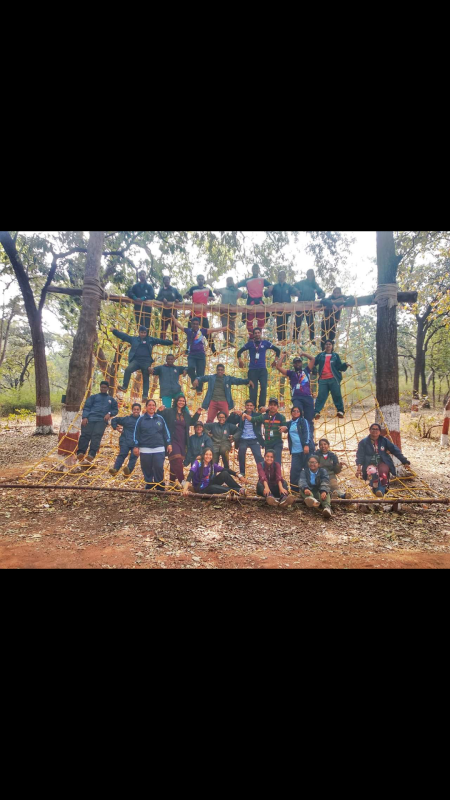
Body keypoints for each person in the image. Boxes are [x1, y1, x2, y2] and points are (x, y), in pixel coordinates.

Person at [356, 424, 411, 510]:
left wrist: (404, 461)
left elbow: (395, 450)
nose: (375, 431)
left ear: (379, 432)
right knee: (373, 472)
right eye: (373, 429)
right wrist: (358, 469)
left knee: (383, 471)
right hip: (370, 463)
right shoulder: (363, 442)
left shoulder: (384, 440)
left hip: (383, 461)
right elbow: (360, 456)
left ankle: (380, 491)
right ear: (369, 430)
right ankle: (378, 492)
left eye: (377, 429)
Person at [113, 325, 173, 401]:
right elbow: (124, 336)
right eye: (142, 332)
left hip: (146, 362)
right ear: (139, 332)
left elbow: (161, 341)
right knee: (128, 369)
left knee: (145, 376)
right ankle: (125, 387)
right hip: (136, 361)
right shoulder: (134, 339)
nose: (143, 334)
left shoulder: (150, 339)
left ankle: (145, 396)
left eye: (145, 333)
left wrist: (171, 342)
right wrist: (114, 331)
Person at [170, 316, 227, 394]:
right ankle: (193, 379)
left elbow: (213, 330)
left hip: (201, 355)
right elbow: (178, 325)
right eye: (193, 324)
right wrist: (173, 317)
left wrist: (224, 328)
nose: (195, 325)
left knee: (201, 372)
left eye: (197, 324)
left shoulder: (202, 331)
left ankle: (199, 389)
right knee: (191, 368)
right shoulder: (188, 331)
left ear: (199, 325)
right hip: (192, 355)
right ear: (191, 324)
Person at [157, 396, 201, 485]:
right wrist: (159, 410)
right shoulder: (169, 411)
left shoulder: (186, 414)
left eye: (183, 401)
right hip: (171, 440)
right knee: (176, 460)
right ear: (176, 401)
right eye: (180, 400)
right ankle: (183, 482)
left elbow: (191, 422)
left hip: (182, 441)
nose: (181, 402)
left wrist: (197, 413)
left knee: (176, 461)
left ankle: (172, 483)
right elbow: (160, 417)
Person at [132, 398, 171, 491]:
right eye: (149, 405)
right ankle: (149, 484)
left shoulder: (160, 418)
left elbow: (166, 432)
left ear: (155, 407)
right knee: (146, 467)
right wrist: (136, 446)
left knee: (158, 467)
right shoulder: (141, 419)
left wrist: (169, 443)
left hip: (159, 447)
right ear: (146, 407)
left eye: (153, 405)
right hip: (145, 448)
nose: (151, 407)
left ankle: (160, 485)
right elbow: (136, 433)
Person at [77, 381, 119, 467]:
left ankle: (91, 455)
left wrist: (109, 413)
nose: (103, 389)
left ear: (107, 388)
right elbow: (87, 407)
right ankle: (80, 452)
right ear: (100, 388)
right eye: (102, 387)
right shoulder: (93, 397)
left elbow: (115, 410)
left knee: (96, 436)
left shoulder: (111, 400)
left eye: (105, 387)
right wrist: (84, 417)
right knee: (85, 435)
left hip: (101, 421)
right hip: (90, 419)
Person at [237, 327, 281, 409]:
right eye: (255, 333)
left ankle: (261, 406)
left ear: (261, 334)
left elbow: (277, 350)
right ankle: (253, 407)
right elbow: (239, 352)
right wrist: (240, 361)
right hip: (252, 370)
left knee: (264, 387)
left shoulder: (265, 343)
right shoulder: (250, 344)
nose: (257, 334)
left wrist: (275, 361)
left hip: (262, 369)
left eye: (258, 332)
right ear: (253, 335)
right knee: (253, 388)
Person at [314, 341, 352, 420]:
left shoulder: (335, 356)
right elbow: (313, 363)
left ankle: (340, 411)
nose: (328, 346)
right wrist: (313, 370)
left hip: (333, 379)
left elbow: (339, 367)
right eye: (326, 344)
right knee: (321, 396)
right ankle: (316, 412)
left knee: (337, 395)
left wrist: (345, 365)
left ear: (332, 346)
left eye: (330, 344)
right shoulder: (320, 355)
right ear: (324, 346)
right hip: (323, 379)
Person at [275, 353, 315, 426]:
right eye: (296, 363)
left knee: (309, 419)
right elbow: (278, 367)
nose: (297, 364)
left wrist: (304, 354)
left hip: (308, 397)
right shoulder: (291, 373)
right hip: (297, 398)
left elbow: (313, 359)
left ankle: (309, 436)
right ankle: (298, 434)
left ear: (301, 363)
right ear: (293, 365)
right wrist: (283, 356)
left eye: (299, 362)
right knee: (297, 416)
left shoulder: (306, 371)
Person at [280, 406, 312, 492]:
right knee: (294, 471)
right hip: (295, 451)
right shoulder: (290, 423)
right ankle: (294, 489)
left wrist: (306, 445)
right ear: (291, 412)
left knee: (307, 469)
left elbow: (307, 433)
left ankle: (309, 489)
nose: (296, 412)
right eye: (294, 411)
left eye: (298, 411)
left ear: (300, 413)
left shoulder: (303, 421)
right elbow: (285, 427)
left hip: (304, 450)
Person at [237, 263, 272, 338]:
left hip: (260, 303)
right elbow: (236, 286)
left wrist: (267, 292)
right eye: (254, 268)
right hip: (250, 303)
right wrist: (242, 294)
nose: (255, 270)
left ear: (259, 270)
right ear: (252, 270)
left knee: (261, 322)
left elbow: (271, 286)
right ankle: (252, 337)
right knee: (249, 323)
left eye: (257, 268)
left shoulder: (262, 280)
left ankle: (258, 336)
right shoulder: (247, 280)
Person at [185, 275, 217, 353]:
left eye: (202, 279)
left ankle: (213, 349)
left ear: (204, 280)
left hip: (203, 315)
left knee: (208, 332)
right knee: (190, 332)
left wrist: (211, 298)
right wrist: (186, 296)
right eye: (199, 279)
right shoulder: (193, 288)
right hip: (193, 314)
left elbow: (213, 298)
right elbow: (187, 295)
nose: (200, 280)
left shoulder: (208, 289)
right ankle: (187, 349)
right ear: (197, 280)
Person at [249, 398, 286, 465]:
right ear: (268, 406)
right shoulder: (264, 416)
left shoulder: (281, 417)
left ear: (277, 407)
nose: (272, 406)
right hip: (267, 443)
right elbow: (253, 419)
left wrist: (284, 428)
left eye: (274, 405)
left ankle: (277, 475)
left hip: (277, 442)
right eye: (271, 405)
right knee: (268, 462)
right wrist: (244, 415)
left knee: (277, 462)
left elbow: (286, 429)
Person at [292, 269, 325, 343]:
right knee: (297, 323)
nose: (310, 275)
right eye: (308, 274)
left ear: (313, 275)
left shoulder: (314, 284)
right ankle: (294, 340)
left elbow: (321, 292)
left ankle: (312, 340)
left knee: (311, 324)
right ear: (306, 275)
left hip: (310, 306)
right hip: (300, 305)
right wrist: (296, 291)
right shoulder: (301, 283)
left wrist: (321, 295)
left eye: (311, 274)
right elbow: (293, 287)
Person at [109, 403, 142, 477]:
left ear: (140, 410)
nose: (136, 411)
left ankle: (128, 471)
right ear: (132, 410)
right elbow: (114, 420)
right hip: (125, 440)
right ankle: (115, 469)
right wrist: (116, 427)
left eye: (137, 410)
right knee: (122, 454)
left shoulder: (142, 420)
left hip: (136, 442)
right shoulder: (126, 419)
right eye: (134, 409)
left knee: (133, 457)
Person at [233, 400, 265, 475]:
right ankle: (242, 472)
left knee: (258, 456)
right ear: (245, 406)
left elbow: (264, 419)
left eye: (251, 405)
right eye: (247, 405)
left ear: (253, 407)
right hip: (243, 438)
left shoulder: (257, 415)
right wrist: (234, 414)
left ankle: (262, 473)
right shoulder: (241, 415)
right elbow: (231, 421)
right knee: (241, 452)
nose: (249, 407)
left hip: (254, 438)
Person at [266, 270, 296, 342]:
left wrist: (298, 292)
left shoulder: (288, 286)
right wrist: (269, 290)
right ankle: (280, 341)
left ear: (285, 277)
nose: (281, 277)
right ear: (278, 277)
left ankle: (284, 341)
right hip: (277, 310)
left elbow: (295, 292)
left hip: (286, 310)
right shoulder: (275, 286)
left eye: (283, 275)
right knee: (279, 326)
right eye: (279, 275)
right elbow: (266, 294)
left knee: (284, 325)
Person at [215, 277, 245, 346]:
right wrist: (216, 291)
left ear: (233, 281)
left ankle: (232, 341)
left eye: (230, 280)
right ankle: (226, 340)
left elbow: (245, 296)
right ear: (226, 282)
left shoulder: (236, 290)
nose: (229, 282)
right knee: (224, 325)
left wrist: (240, 291)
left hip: (233, 310)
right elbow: (216, 290)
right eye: (227, 281)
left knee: (232, 325)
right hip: (224, 310)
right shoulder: (223, 289)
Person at [156, 276, 183, 344]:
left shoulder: (174, 290)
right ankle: (162, 341)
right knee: (163, 328)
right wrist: (162, 299)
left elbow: (180, 297)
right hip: (164, 312)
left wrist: (178, 300)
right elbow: (157, 298)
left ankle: (176, 341)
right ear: (163, 281)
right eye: (165, 280)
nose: (166, 281)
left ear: (169, 281)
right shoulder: (161, 290)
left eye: (168, 280)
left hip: (173, 312)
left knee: (174, 328)